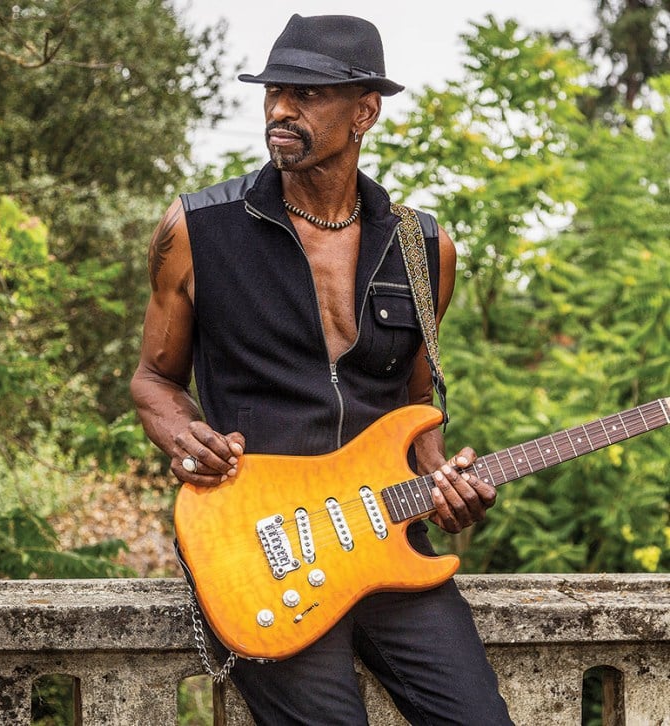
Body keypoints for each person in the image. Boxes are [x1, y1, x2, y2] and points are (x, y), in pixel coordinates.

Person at [131, 13, 513, 725]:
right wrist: (185, 438)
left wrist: (445, 480)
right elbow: (154, 380)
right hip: (259, 544)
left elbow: (417, 402)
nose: (280, 108)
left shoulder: (426, 248)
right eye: (275, 90)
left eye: (306, 94)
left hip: (391, 542)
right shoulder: (194, 231)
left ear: (364, 111)